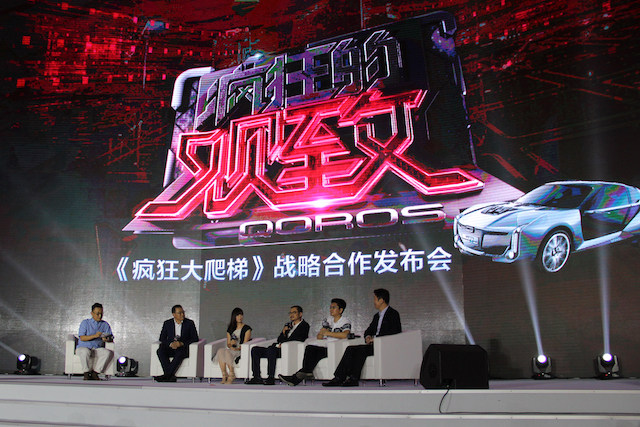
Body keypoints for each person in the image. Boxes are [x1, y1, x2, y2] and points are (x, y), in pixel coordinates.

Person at [323, 288, 401, 387]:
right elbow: (369, 330)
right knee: (351, 349)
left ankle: (354, 378)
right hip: (374, 345)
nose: (373, 301)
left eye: (375, 299)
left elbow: (395, 331)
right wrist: (368, 336)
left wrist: (376, 338)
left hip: (385, 345)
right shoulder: (377, 316)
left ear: (381, 300)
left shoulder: (393, 314)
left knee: (361, 350)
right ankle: (339, 377)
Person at [279, 298, 351, 386]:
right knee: (310, 348)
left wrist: (328, 333)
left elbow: (345, 334)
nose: (331, 310)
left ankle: (296, 378)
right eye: (330, 307)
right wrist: (323, 332)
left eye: (333, 307)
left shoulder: (345, 321)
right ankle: (304, 373)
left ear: (340, 310)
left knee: (312, 355)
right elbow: (319, 336)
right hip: (326, 346)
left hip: (336, 348)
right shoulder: (328, 320)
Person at [245, 305, 310, 385]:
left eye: (294, 312)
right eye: (290, 313)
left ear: (300, 314)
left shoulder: (304, 325)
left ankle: (270, 377)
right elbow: (279, 339)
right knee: (255, 350)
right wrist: (284, 332)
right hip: (278, 348)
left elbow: (300, 338)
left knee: (271, 349)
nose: (291, 315)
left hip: (289, 350)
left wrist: (284, 343)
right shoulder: (289, 325)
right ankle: (256, 377)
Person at [155, 305, 199, 382]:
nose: (182, 314)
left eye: (183, 312)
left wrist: (181, 343)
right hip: (171, 347)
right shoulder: (167, 323)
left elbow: (195, 338)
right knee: (160, 351)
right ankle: (169, 376)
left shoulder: (189, 323)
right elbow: (162, 338)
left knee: (180, 352)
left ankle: (166, 376)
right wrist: (171, 344)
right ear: (174, 314)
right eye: (180, 313)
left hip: (183, 348)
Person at [76, 303, 114, 381]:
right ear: (92, 313)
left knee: (107, 352)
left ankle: (95, 373)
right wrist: (95, 336)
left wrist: (107, 339)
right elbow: (82, 337)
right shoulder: (85, 323)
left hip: (96, 348)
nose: (99, 316)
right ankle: (86, 373)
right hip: (83, 347)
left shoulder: (105, 325)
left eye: (101, 314)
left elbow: (111, 337)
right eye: (97, 314)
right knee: (85, 351)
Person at [215, 307, 252, 384]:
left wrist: (237, 348)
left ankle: (231, 374)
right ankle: (224, 375)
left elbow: (245, 344)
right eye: (238, 315)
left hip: (240, 350)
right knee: (220, 351)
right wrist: (231, 345)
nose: (240, 317)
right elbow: (228, 344)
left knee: (227, 352)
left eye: (241, 315)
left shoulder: (247, 328)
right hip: (232, 349)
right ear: (234, 317)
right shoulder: (231, 328)